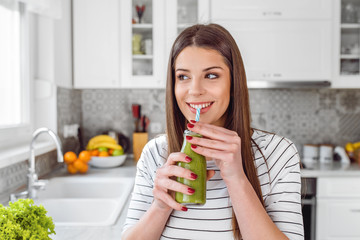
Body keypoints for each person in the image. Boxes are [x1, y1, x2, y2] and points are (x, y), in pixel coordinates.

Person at [121, 23, 303, 240]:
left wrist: (236, 178)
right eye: (183, 76)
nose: (195, 90)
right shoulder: (155, 153)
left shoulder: (278, 153)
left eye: (211, 75)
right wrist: (160, 205)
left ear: (233, 83)